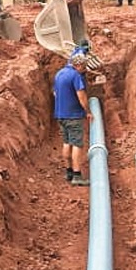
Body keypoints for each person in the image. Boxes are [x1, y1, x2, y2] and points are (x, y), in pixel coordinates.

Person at [52, 52, 93, 186]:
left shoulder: (59, 74)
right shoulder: (75, 76)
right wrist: (88, 112)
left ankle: (68, 171)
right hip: (73, 116)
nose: (84, 70)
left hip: (61, 115)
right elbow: (81, 96)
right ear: (79, 65)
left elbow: (55, 92)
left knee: (66, 142)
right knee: (77, 144)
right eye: (83, 67)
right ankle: (77, 175)